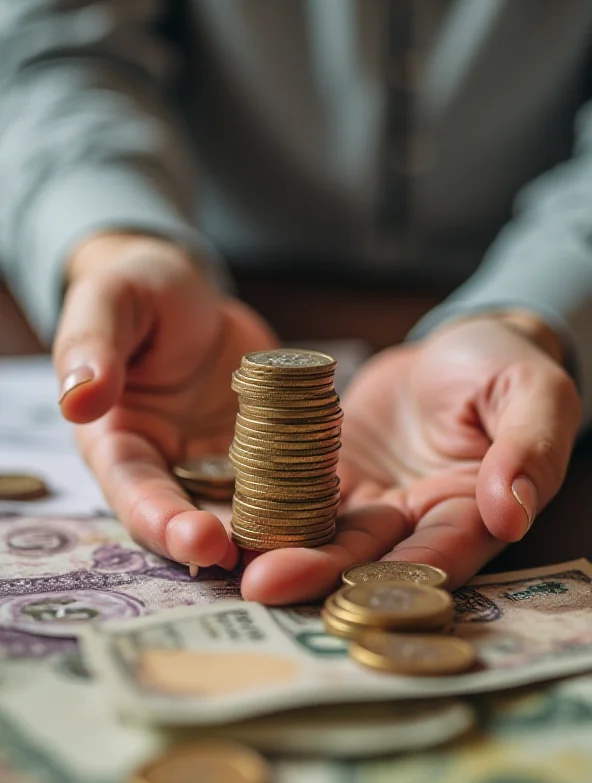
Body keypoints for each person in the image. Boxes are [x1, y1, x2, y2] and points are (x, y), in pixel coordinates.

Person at [0, 2, 589, 604]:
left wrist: (530, 314)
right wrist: (115, 241)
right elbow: (53, 52)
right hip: (225, 268)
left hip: (509, 272)